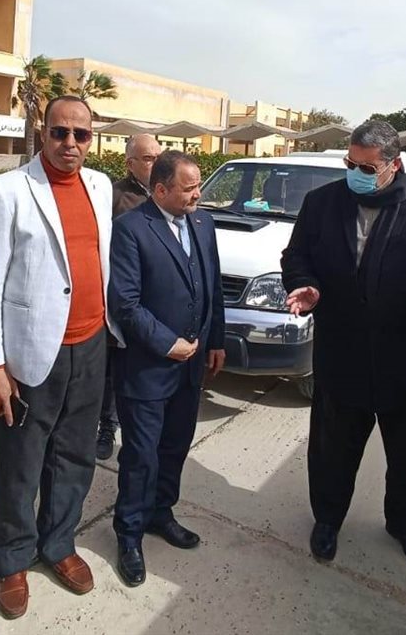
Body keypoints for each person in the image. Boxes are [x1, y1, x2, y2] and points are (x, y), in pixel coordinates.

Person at [281, 118, 406, 570]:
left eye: (367, 168)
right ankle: (328, 520)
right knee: (333, 451)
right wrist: (305, 284)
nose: (356, 173)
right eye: (350, 164)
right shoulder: (322, 203)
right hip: (343, 356)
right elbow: (297, 256)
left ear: (394, 165)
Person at [0, 95, 113, 620]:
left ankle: (58, 543)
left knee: (75, 454)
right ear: (43, 133)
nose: (70, 143)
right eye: (60, 132)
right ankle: (11, 558)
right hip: (33, 350)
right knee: (21, 459)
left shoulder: (99, 186)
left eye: (81, 134)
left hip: (92, 343)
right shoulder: (8, 190)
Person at [108, 150, 227, 586]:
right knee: (141, 455)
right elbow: (124, 302)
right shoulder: (131, 229)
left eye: (198, 186)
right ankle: (129, 533)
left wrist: (216, 340)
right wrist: (166, 343)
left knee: (175, 447)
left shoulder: (202, 223)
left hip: (191, 367)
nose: (198, 195)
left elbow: (212, 286)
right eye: (189, 188)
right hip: (147, 368)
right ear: (160, 190)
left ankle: (161, 512)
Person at [98, 133, 164, 461]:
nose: (156, 164)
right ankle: (106, 427)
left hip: (156, 300)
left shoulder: (165, 194)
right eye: (149, 159)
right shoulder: (114, 197)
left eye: (158, 157)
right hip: (122, 299)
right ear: (130, 163)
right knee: (113, 371)